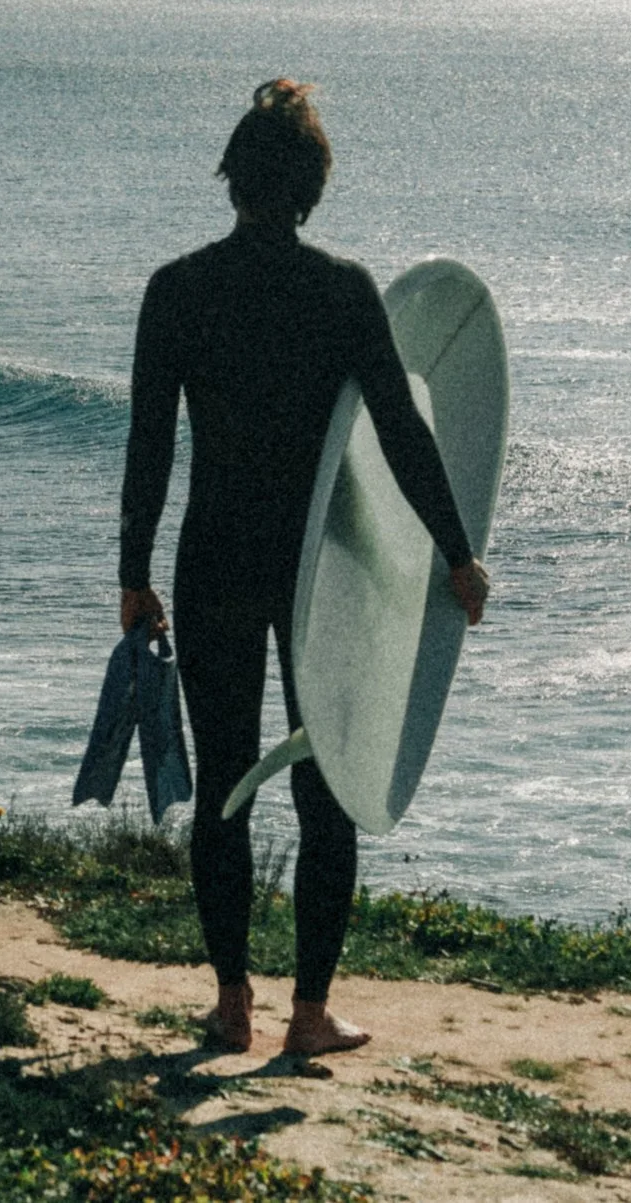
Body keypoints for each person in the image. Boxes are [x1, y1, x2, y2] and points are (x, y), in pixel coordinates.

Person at [118, 79, 490, 1057]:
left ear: (232, 178)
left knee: (226, 781)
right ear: (310, 188)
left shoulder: (178, 289)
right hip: (320, 573)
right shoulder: (341, 290)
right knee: (328, 781)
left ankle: (231, 1001)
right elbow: (404, 432)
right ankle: (310, 1013)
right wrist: (456, 550)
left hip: (213, 558)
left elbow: (148, 445)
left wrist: (132, 572)